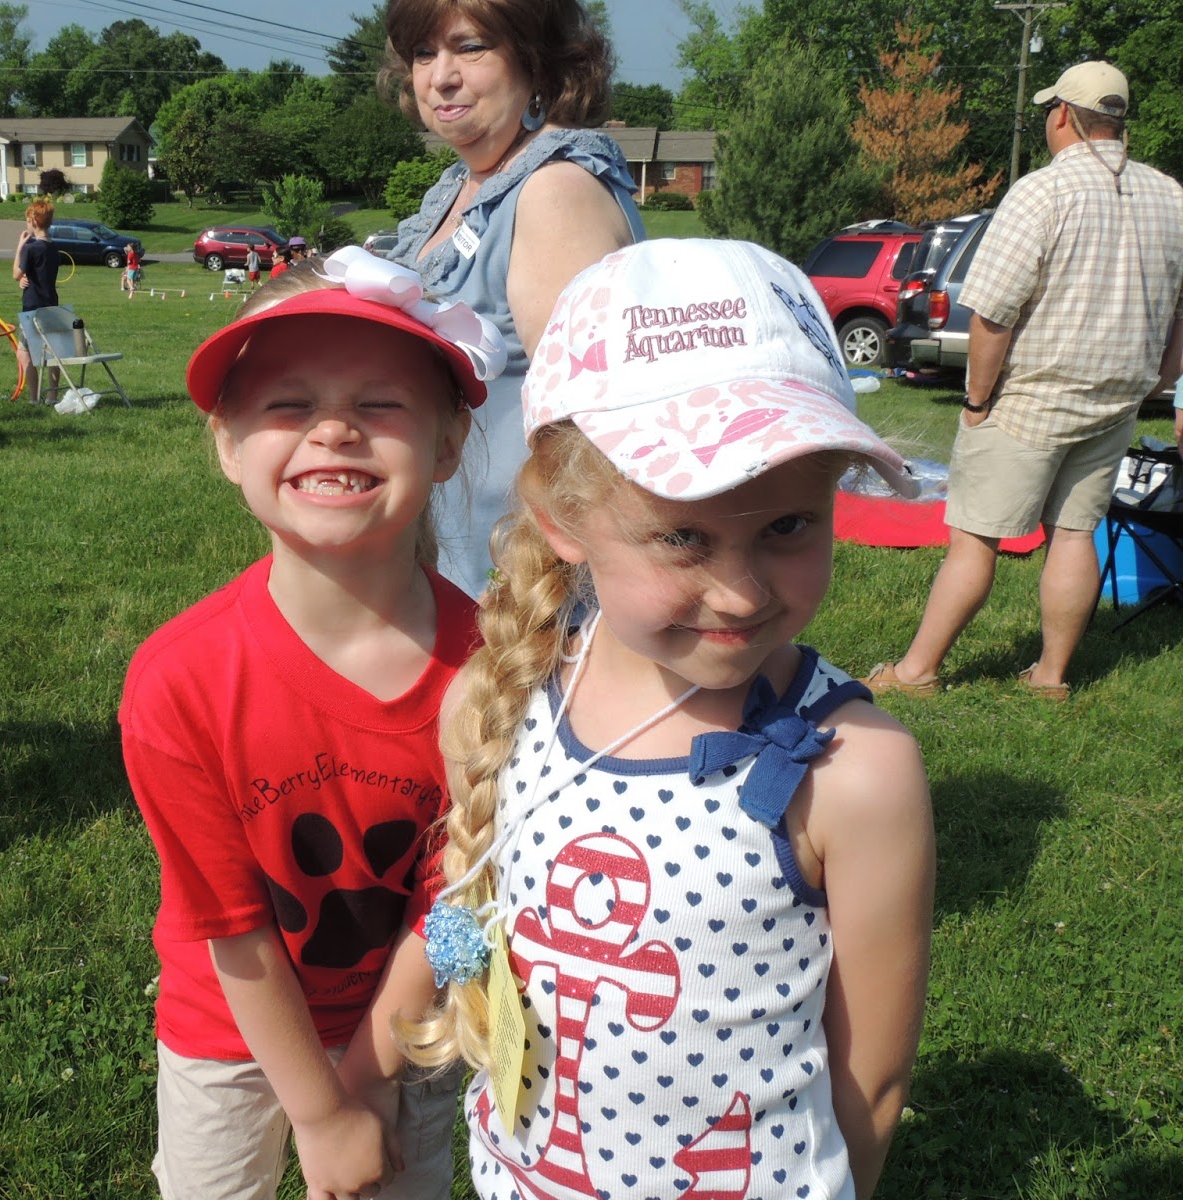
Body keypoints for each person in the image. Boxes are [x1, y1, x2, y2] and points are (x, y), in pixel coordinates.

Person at [402, 240, 935, 1200]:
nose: (737, 594)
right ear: (562, 515)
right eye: (684, 536)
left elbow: (874, 1086)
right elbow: (465, 926)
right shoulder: (498, 702)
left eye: (788, 526)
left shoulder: (856, 771)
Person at [119, 248, 505, 1200]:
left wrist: (370, 1081)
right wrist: (320, 1111)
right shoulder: (180, 681)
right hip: (233, 1031)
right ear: (227, 445)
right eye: (289, 406)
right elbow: (232, 928)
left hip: (409, 1024)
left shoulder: (499, 667)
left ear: (450, 442)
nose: (334, 431)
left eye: (381, 406)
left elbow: (458, 900)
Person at [865, 61, 1183, 701]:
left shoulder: (1041, 192)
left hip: (1029, 398)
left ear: (1063, 114)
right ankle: (1050, 676)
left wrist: (978, 401)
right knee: (1073, 534)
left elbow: (992, 315)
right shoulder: (1171, 195)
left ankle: (917, 671)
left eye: (1048, 110)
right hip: (1114, 402)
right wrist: (1156, 382)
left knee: (974, 538)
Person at [383, 0, 644, 596]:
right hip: (454, 551)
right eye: (424, 52)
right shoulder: (468, 184)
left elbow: (584, 431)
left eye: (470, 47)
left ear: (535, 58)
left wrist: (546, 590)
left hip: (522, 575)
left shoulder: (555, 191)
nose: (440, 76)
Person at [12, 197, 63, 402]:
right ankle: (52, 395)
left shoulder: (30, 248)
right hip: (51, 304)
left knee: (25, 353)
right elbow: (37, 273)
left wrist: (19, 247)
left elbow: (16, 273)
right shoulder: (54, 247)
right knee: (52, 353)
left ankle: (34, 397)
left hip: (32, 306)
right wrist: (27, 278)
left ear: (33, 220)